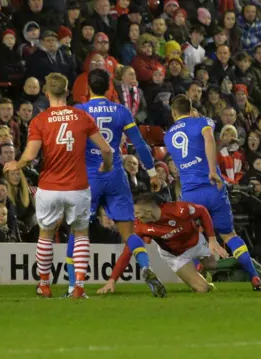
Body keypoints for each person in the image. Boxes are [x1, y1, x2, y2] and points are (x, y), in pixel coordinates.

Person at [3, 72, 113, 299]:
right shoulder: (82, 117)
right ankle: (79, 286)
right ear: (68, 92)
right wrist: (107, 166)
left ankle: (44, 284)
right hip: (78, 187)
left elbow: (30, 155)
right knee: (81, 234)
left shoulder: (40, 120)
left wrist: (16, 164)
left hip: (50, 187)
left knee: (45, 234)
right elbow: (106, 149)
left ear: (46, 92)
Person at [69, 68, 166, 298]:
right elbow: (140, 144)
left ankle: (75, 285)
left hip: (89, 176)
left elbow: (70, 145)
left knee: (78, 231)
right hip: (115, 175)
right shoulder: (120, 111)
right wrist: (152, 172)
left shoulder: (79, 111)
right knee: (128, 232)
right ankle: (146, 268)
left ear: (88, 88)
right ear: (110, 87)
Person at [164, 95, 261, 291]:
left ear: (174, 113)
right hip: (212, 188)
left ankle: (199, 276)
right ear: (191, 108)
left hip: (190, 193)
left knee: (191, 237)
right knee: (228, 235)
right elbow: (210, 140)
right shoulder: (202, 122)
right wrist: (211, 170)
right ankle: (254, 278)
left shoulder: (168, 136)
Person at [98, 193, 229, 294]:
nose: (135, 217)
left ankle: (203, 268)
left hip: (196, 242)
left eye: (137, 213)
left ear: (148, 212)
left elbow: (202, 211)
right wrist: (112, 280)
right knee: (203, 289)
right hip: (175, 255)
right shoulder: (140, 227)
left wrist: (212, 239)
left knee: (212, 265)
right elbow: (127, 252)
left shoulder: (179, 210)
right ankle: (199, 278)